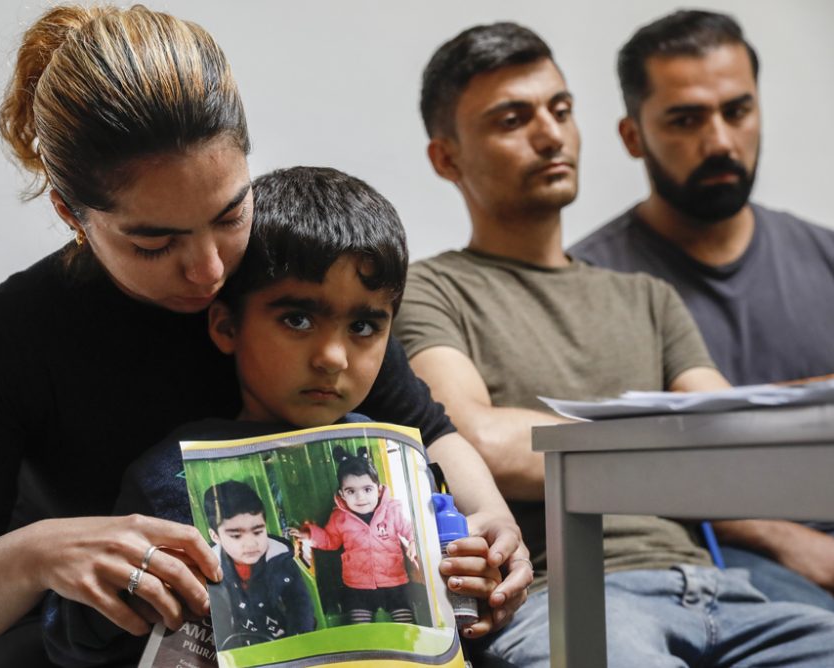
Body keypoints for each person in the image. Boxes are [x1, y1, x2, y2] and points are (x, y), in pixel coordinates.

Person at [0, 8, 527, 667]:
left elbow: (430, 430)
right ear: (69, 212)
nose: (211, 270)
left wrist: (493, 530)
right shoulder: (7, 336)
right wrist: (42, 551)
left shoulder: (287, 277)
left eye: (230, 214)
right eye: (153, 242)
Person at [393, 21, 834, 666]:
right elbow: (480, 440)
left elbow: (731, 444)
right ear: (446, 157)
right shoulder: (431, 289)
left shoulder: (648, 297)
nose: (550, 134)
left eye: (560, 110)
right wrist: (667, 445)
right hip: (570, 595)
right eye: (513, 119)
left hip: (723, 594)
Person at [41, 166, 532, 667]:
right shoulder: (170, 473)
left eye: (363, 325)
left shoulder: (403, 465)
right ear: (227, 325)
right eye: (297, 319)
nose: (333, 356)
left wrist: (479, 583)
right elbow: (71, 639)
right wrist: (126, 595)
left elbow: (458, 621)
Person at [569, 9, 834, 612]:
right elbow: (617, 471)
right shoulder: (589, 285)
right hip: (717, 566)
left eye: (736, 111)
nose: (718, 141)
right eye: (686, 119)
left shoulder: (825, 256)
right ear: (633, 136)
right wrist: (785, 538)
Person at [291, 446, 419, 625]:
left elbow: (409, 529)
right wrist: (310, 534)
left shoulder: (392, 510)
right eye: (351, 491)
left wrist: (414, 541)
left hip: (394, 582)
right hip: (357, 586)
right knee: (360, 626)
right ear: (342, 494)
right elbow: (330, 540)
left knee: (406, 623)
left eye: (367, 489)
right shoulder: (340, 517)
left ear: (379, 490)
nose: (360, 497)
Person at [202, 481, 315, 648]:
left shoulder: (282, 559)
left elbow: (300, 604)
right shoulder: (210, 568)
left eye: (257, 531)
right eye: (236, 535)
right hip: (240, 647)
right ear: (215, 536)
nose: (251, 543)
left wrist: (298, 642)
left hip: (285, 641)